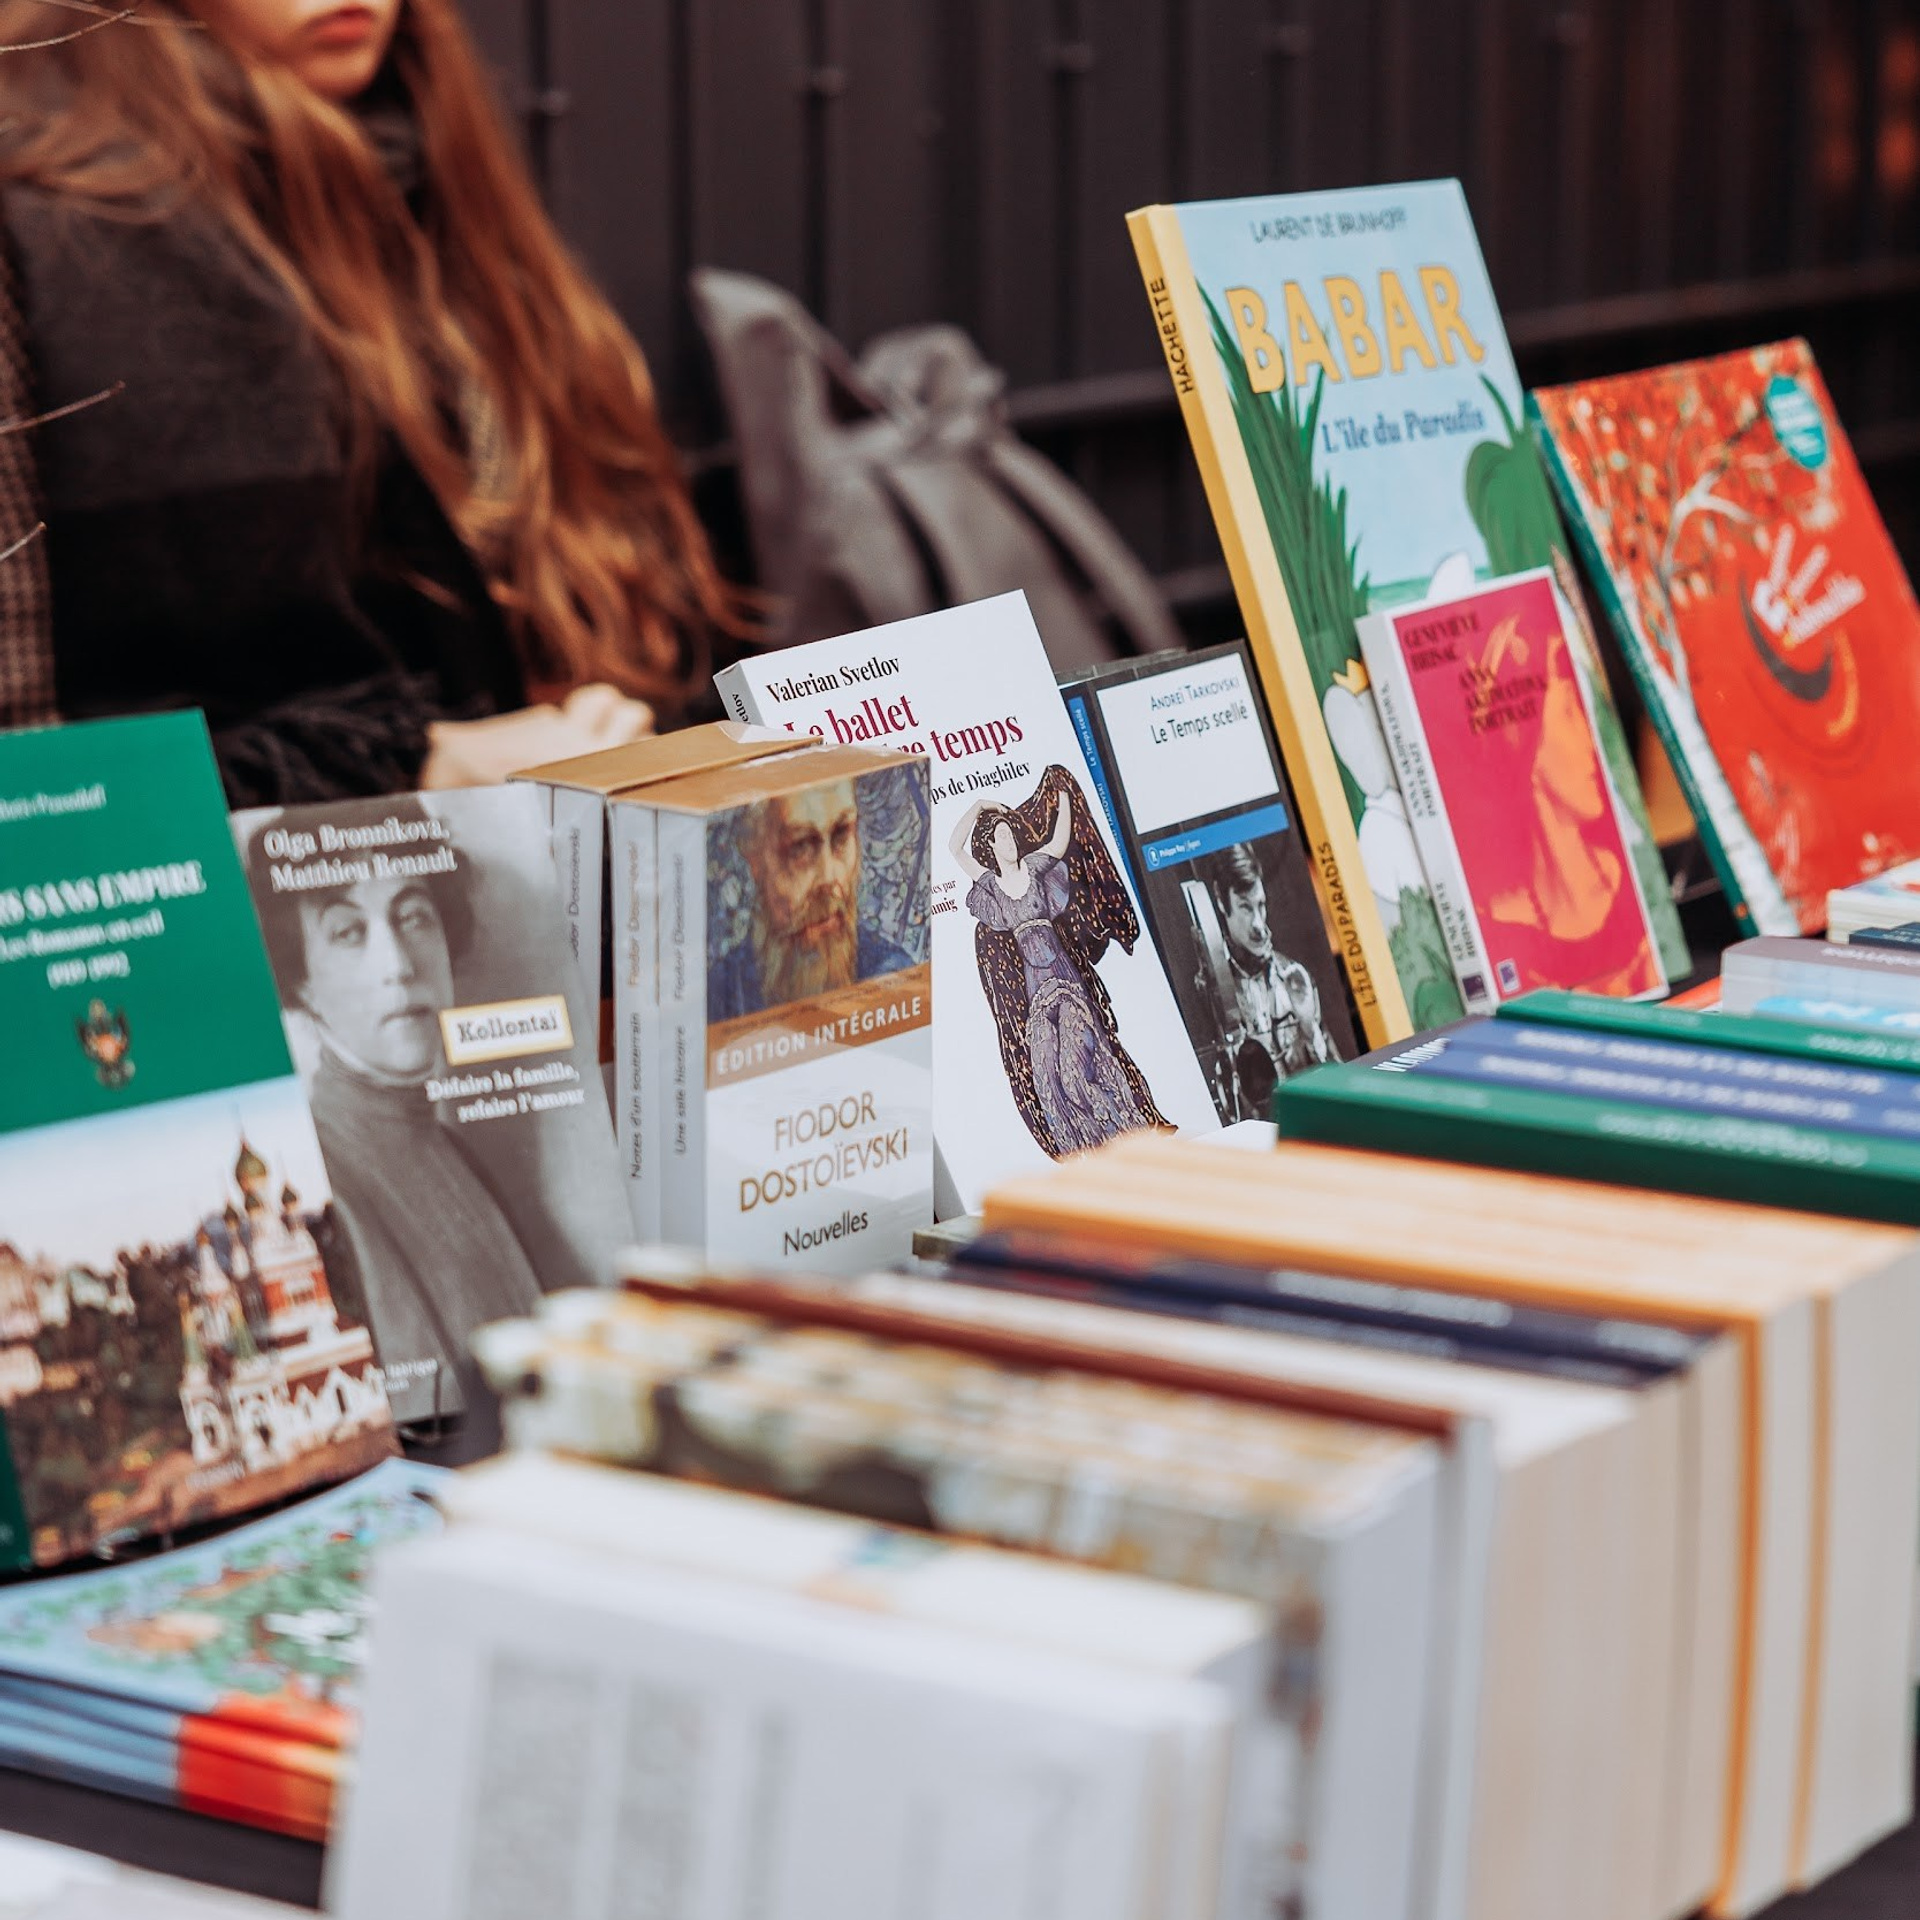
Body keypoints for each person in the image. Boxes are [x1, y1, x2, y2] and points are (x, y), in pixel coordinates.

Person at [0, 0, 743, 801]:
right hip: (219, 872)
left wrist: (596, 727)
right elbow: (29, 773)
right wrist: (399, 778)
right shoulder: (39, 218)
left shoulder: (436, 188)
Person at [244, 803, 542, 1422]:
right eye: (348, 932)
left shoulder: (450, 1147)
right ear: (300, 981)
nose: (400, 966)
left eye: (413, 917)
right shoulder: (324, 1182)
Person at [950, 767, 1169, 1159]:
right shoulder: (990, 885)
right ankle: (1084, 1148)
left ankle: (1122, 1132)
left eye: (1010, 834)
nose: (1009, 841)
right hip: (1035, 987)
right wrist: (980, 804)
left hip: (1064, 977)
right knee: (1046, 1066)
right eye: (1001, 836)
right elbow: (954, 847)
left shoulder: (1034, 866)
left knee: (1075, 1062)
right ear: (992, 846)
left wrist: (1063, 791)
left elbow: (1059, 840)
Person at [710, 778, 912, 1021]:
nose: (829, 877)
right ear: (756, 861)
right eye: (801, 846)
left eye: (841, 835)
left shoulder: (895, 975)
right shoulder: (719, 997)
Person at [1196, 842, 1334, 1118]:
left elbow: (1338, 1081)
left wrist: (1310, 1029)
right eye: (1245, 908)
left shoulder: (1294, 976)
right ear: (1222, 902)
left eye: (1261, 905)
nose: (1259, 924)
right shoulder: (1207, 991)